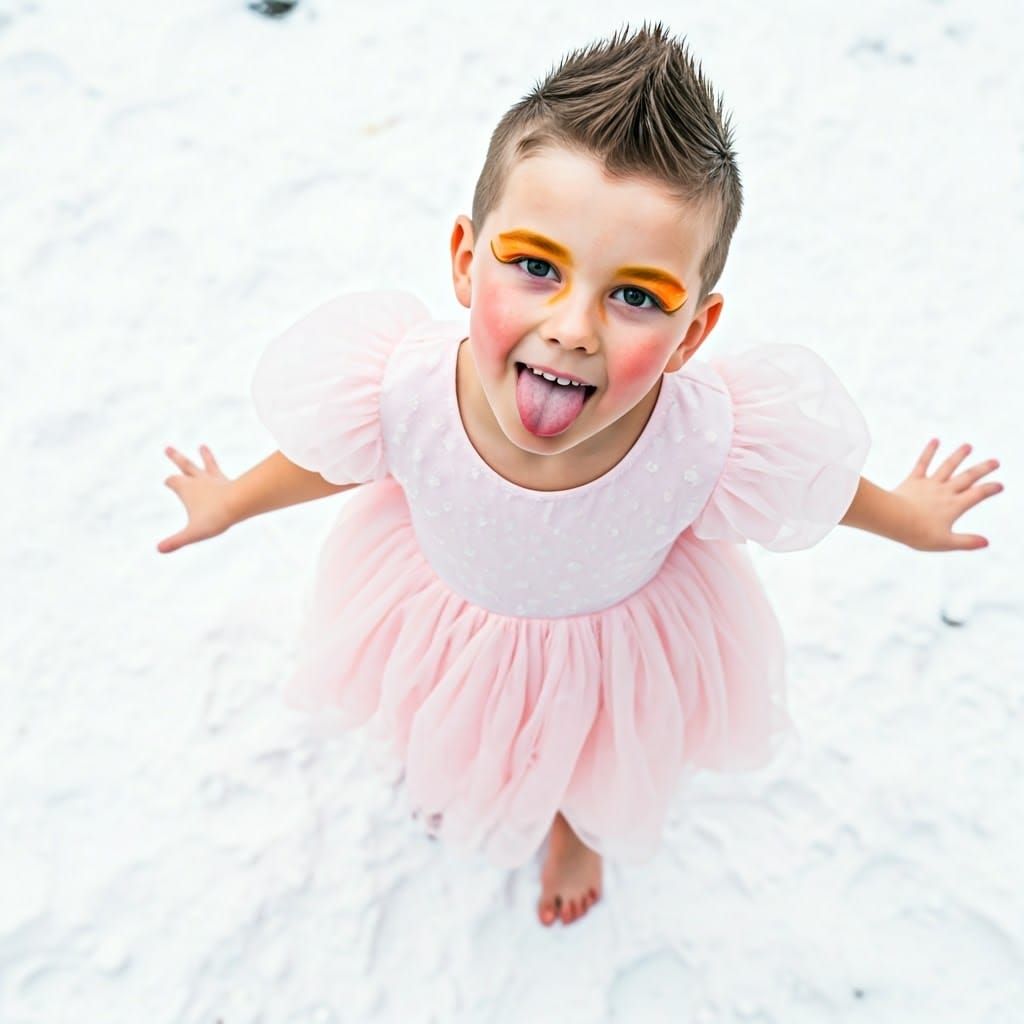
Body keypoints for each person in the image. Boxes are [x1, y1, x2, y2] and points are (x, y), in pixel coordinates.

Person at [157, 22, 1004, 928]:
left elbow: (815, 489)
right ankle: (472, 781)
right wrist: (231, 500)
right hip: (451, 618)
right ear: (465, 260)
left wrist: (908, 517)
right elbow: (326, 461)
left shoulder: (701, 438)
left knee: (595, 751)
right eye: (535, 267)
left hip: (612, 649)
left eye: (635, 296)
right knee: (459, 719)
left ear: (693, 332)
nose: (572, 328)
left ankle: (576, 825)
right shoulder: (405, 388)